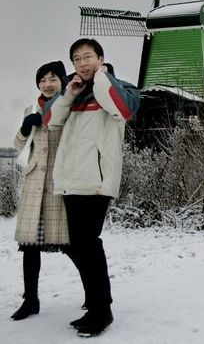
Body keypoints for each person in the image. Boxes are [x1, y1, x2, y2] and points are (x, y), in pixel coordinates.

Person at [43, 38, 140, 337]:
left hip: (96, 181)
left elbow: (122, 109)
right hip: (71, 181)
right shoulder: (72, 94)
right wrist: (68, 95)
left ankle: (102, 310)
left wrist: (101, 76)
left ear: (101, 58)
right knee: (77, 244)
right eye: (76, 59)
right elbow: (49, 121)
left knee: (88, 243)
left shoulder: (119, 87)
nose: (82, 63)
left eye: (88, 57)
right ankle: (98, 302)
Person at [10, 61, 70, 321]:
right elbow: (17, 145)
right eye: (43, 79)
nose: (47, 84)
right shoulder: (30, 109)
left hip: (60, 180)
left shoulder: (70, 107)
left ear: (62, 82)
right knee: (30, 245)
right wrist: (25, 128)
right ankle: (30, 300)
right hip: (35, 182)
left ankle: (96, 295)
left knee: (73, 244)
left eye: (53, 79)